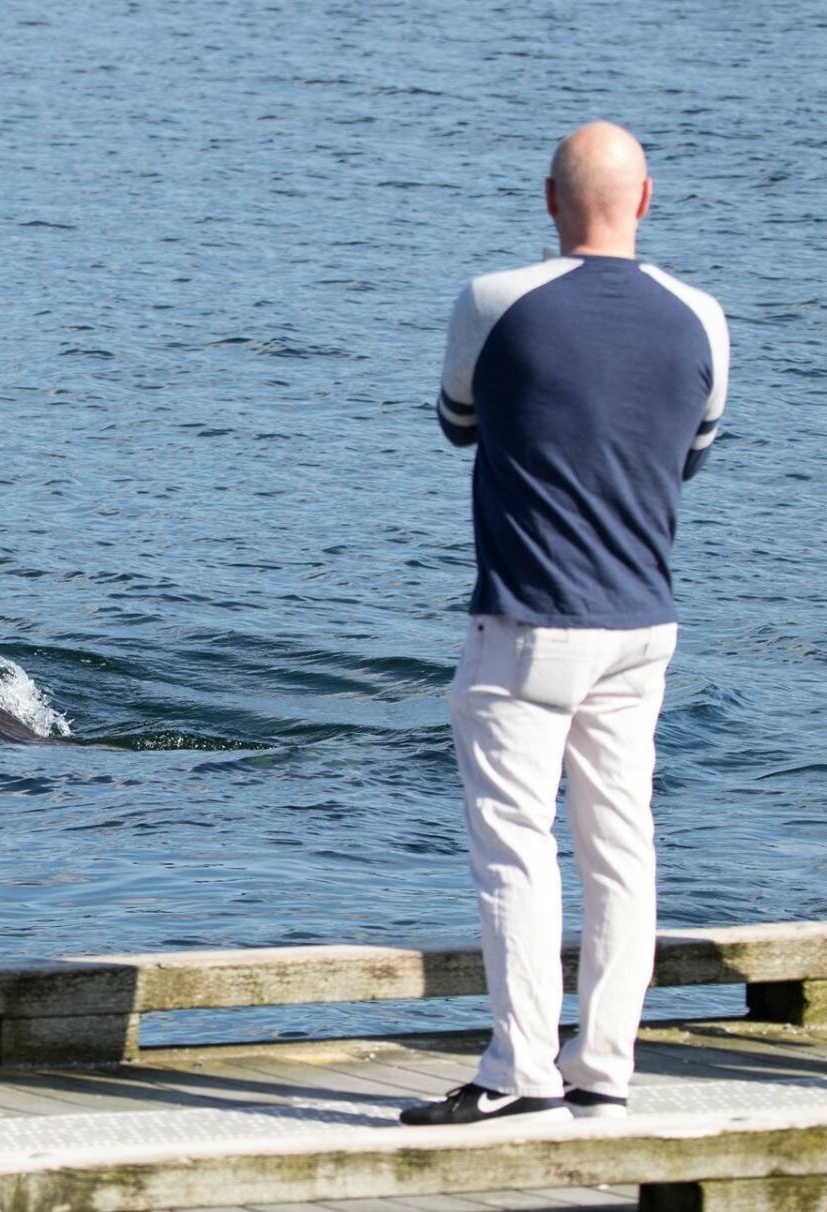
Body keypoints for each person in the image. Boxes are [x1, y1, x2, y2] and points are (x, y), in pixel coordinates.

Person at [401, 122, 729, 1127]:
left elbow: (459, 422)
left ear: (550, 201)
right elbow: (691, 454)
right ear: (646, 199)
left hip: (528, 620)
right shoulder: (703, 317)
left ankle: (518, 1071)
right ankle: (607, 1064)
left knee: (517, 849)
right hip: (644, 620)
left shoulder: (496, 301)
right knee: (621, 848)